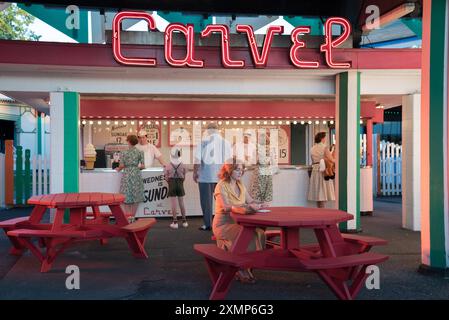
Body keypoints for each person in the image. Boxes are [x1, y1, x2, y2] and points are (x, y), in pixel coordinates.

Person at [213, 159, 265, 283]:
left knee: (260, 233)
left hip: (239, 222)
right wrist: (243, 208)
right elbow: (225, 207)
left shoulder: (240, 184)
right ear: (229, 170)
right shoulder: (221, 185)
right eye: (237, 169)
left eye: (242, 169)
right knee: (249, 236)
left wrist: (260, 204)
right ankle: (241, 269)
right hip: (224, 224)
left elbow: (250, 201)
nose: (240, 172)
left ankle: (248, 264)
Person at [193, 123, 232, 231]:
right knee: (223, 200)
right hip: (221, 176)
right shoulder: (226, 143)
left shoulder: (202, 142)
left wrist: (195, 172)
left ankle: (208, 224)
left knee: (206, 202)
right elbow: (229, 161)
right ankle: (225, 223)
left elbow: (197, 160)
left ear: (207, 130)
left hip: (205, 176)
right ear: (218, 130)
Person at [115, 135, 145, 220]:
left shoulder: (124, 153)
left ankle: (128, 217)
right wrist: (136, 167)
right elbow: (143, 166)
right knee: (136, 195)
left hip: (127, 174)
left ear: (128, 141)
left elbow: (121, 165)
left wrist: (118, 169)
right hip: (136, 174)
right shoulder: (140, 152)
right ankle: (133, 217)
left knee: (126, 195)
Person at [307, 132, 335, 208]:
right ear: (322, 138)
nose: (325, 139)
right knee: (323, 191)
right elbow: (331, 159)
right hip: (324, 170)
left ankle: (319, 210)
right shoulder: (324, 147)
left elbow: (313, 160)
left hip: (315, 170)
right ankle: (323, 211)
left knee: (318, 192)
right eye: (325, 137)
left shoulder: (312, 148)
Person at [249, 132, 276, 206]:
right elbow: (273, 163)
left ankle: (257, 208)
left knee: (257, 190)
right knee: (267, 191)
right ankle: (266, 208)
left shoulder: (256, 150)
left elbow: (253, 162)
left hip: (258, 171)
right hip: (267, 171)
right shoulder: (271, 149)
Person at [164, 148, 188, 229]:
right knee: (181, 202)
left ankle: (175, 222)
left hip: (172, 184)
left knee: (173, 203)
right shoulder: (183, 165)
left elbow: (166, 177)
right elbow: (184, 176)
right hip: (180, 184)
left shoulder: (168, 165)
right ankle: (184, 221)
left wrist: (170, 181)